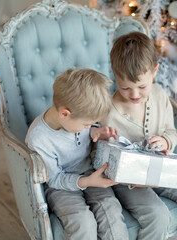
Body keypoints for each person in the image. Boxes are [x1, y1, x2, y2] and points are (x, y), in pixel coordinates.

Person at [101, 31, 177, 240]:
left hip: (162, 171)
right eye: (125, 88)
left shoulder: (160, 96)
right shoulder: (108, 110)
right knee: (158, 215)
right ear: (115, 76)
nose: (134, 95)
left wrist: (165, 140)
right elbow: (103, 157)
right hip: (128, 184)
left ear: (155, 71)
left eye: (142, 87)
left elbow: (171, 132)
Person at [25, 68, 128, 240]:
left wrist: (94, 131)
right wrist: (86, 181)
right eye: (87, 124)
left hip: (89, 172)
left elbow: (82, 129)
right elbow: (55, 179)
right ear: (64, 114)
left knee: (110, 209)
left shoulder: (74, 119)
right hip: (60, 185)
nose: (88, 127)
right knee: (83, 222)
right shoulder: (39, 139)